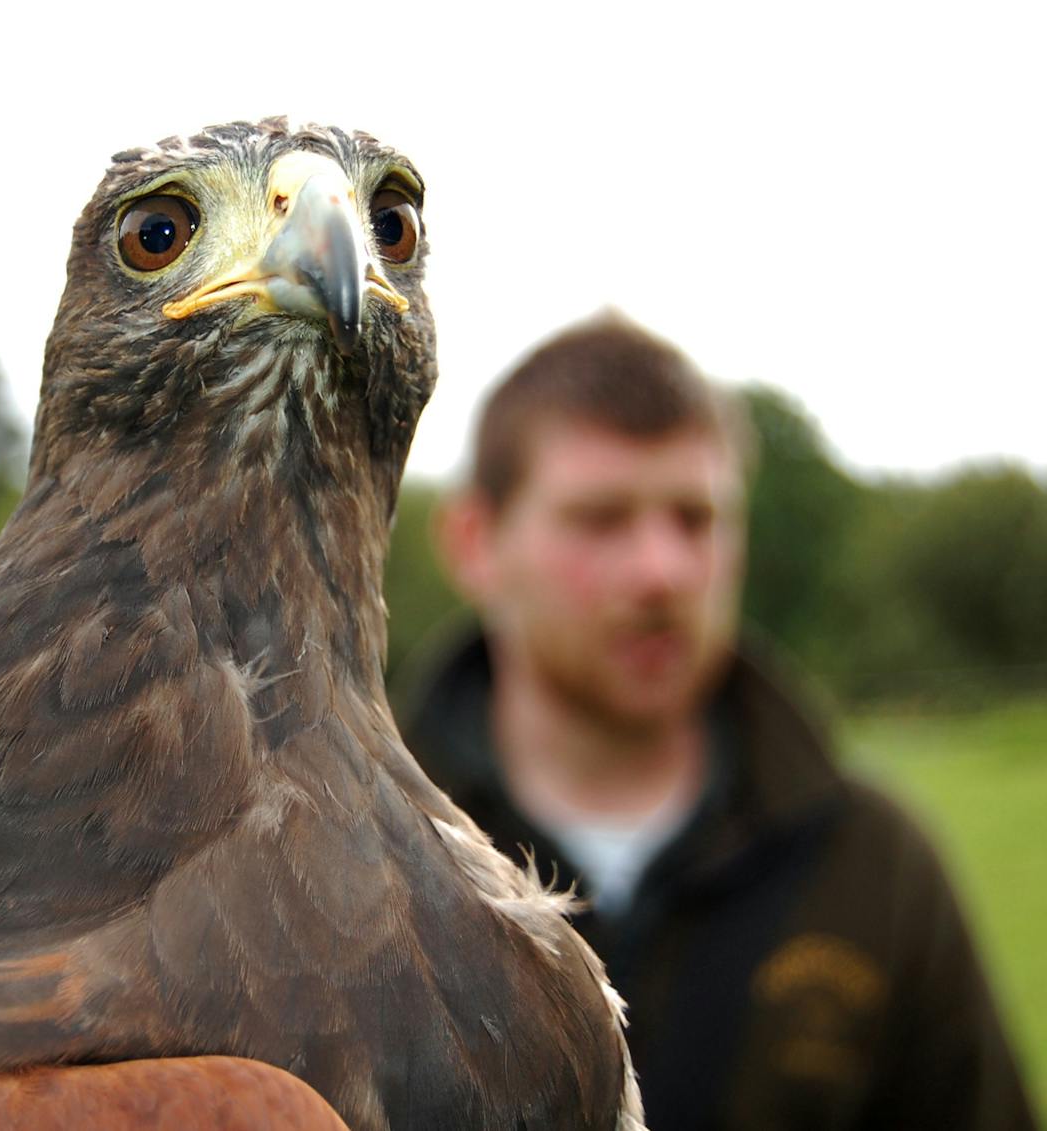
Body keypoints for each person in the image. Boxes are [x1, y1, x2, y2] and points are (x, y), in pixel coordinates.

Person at [397, 313, 1036, 1130]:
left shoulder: (874, 863)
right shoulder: (354, 863)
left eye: (695, 518)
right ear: (475, 543)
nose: (663, 569)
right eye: (603, 517)